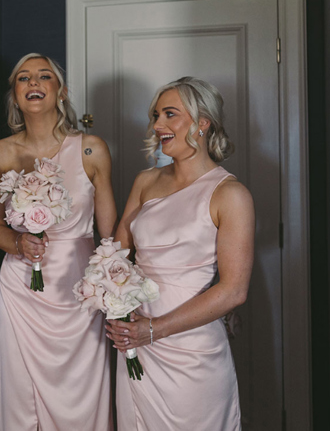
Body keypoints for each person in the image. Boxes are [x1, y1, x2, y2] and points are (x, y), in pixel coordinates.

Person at [107, 77, 254, 430]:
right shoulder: (146, 181)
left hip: (190, 347)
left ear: (202, 123)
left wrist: (154, 329)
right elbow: (117, 255)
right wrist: (115, 303)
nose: (157, 125)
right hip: (135, 341)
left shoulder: (230, 195)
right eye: (156, 115)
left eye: (169, 114)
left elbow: (234, 290)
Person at [0, 53, 116, 430]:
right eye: (24, 78)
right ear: (15, 94)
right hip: (20, 288)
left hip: (77, 286)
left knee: (82, 390)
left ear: (61, 91)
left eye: (44, 76)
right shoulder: (0, 152)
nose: (34, 83)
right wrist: (18, 243)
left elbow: (108, 234)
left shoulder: (91, 148)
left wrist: (112, 288)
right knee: (19, 389)